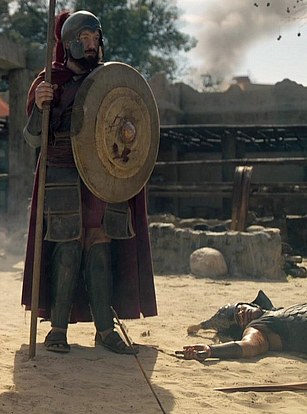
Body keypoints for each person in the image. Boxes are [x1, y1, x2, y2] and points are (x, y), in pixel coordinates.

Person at [20, 10, 157, 354]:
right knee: (68, 247)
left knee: (100, 245)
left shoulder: (110, 80)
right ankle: (58, 329)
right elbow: (33, 137)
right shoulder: (50, 81)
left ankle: (105, 330)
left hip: (103, 174)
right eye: (85, 39)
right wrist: (41, 106)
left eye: (96, 38)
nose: (92, 45)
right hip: (63, 173)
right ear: (70, 43)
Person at [180, 290, 307, 360]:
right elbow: (249, 346)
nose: (241, 313)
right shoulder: (258, 327)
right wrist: (211, 350)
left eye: (239, 308)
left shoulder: (280, 311)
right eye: (237, 319)